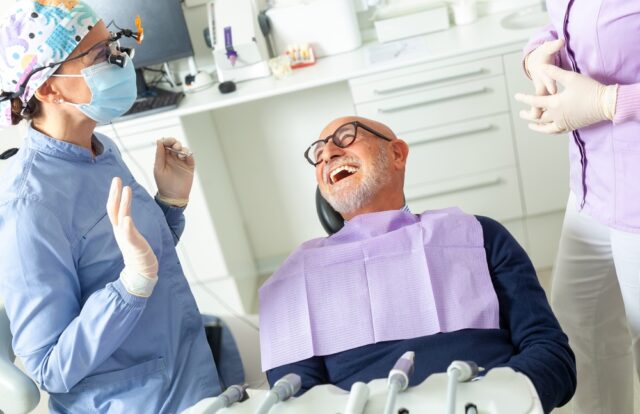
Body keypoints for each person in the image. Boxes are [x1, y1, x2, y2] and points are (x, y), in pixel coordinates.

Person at [258, 116, 576, 413]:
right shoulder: (293, 281)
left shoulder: (479, 235)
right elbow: (297, 400)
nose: (328, 153)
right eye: (318, 153)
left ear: (397, 154)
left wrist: (494, 401)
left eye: (346, 137)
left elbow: (551, 355)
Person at [0, 1, 219, 412]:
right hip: (131, 401)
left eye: (115, 46)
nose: (119, 61)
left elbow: (127, 260)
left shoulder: (98, 149)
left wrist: (169, 203)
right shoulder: (29, 208)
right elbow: (49, 367)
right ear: (48, 88)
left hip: (184, 373)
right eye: (100, 55)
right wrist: (131, 284)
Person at [514, 2, 640, 413]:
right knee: (580, 325)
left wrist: (609, 101)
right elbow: (567, 26)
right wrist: (537, 58)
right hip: (592, 189)